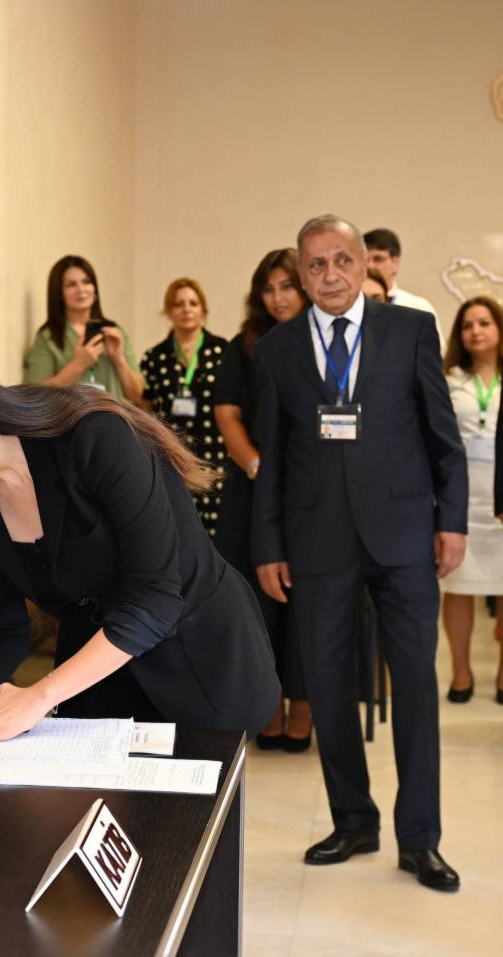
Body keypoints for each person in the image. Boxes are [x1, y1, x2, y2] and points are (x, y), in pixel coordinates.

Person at [0, 345, 277, 743]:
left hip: (200, 663)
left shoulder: (96, 438)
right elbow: (2, 630)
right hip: (94, 677)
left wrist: (37, 696)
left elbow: (155, 599)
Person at [253, 215, 467, 892]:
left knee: (415, 685)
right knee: (328, 682)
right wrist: (268, 543)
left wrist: (452, 519)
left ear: (365, 266)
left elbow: (442, 433)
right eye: (316, 264)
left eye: (343, 259)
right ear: (300, 272)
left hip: (405, 531)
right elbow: (274, 457)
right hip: (317, 541)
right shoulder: (278, 350)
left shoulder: (408, 330)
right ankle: (353, 819)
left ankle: (420, 838)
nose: (332, 274)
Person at [213, 249, 312, 751]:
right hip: (251, 490)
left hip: (313, 495)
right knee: (255, 603)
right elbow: (227, 414)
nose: (278, 297)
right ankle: (267, 709)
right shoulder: (243, 345)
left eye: (287, 286)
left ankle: (303, 710)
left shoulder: (321, 342)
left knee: (306, 601)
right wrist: (257, 466)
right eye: (269, 288)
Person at [438, 297, 503, 704]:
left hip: (501, 492)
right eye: (467, 325)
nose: (475, 331)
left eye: (484, 323)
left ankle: (502, 675)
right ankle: (461, 673)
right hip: (462, 493)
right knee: (458, 587)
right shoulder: (449, 379)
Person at [140, 278, 228, 537]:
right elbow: (146, 408)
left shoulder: (222, 351)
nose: (186, 309)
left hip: (214, 458)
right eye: (178, 304)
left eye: (193, 303)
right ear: (168, 312)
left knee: (217, 538)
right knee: (177, 533)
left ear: (203, 310)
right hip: (171, 458)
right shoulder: (155, 357)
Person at [22, 255, 144, 403]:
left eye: (86, 282)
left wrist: (119, 360)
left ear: (95, 288)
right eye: (71, 285)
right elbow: (33, 396)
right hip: (70, 424)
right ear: (59, 293)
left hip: (113, 421)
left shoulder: (115, 332)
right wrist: (78, 364)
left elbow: (138, 396)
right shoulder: (48, 337)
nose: (81, 289)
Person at [363, 227, 443, 342]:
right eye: (365, 259)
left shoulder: (418, 307)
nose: (369, 266)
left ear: (395, 263)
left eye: (378, 259)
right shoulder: (349, 305)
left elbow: (435, 353)